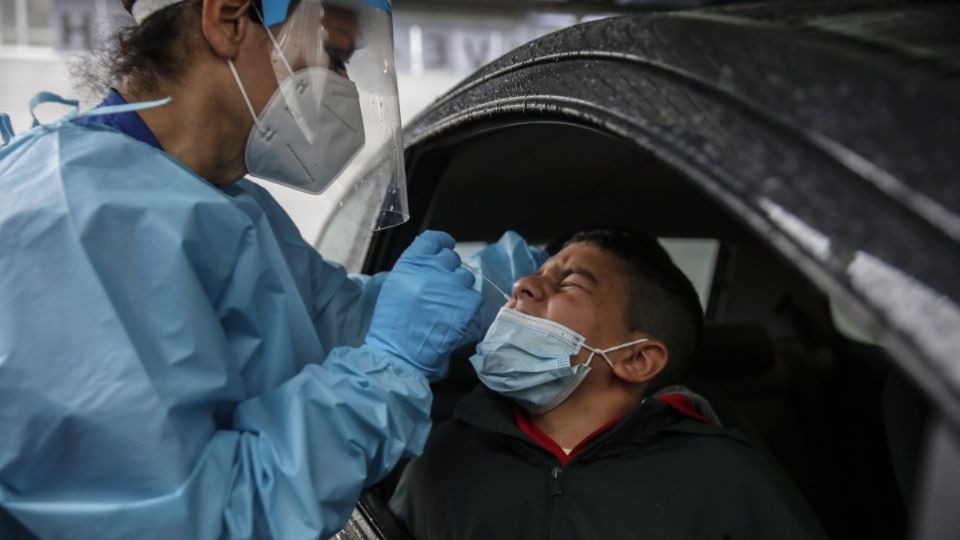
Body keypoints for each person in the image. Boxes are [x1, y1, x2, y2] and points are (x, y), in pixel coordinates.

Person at [0, 1, 536, 538]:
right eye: (333, 54)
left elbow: (328, 320)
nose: (343, 87)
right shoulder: (77, 220)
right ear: (229, 21)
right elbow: (196, 520)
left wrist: (516, 282)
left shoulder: (223, 201)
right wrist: (387, 368)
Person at [389, 228, 826, 540]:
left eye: (570, 282)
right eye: (536, 274)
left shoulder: (724, 479)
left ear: (636, 359)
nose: (522, 286)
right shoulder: (441, 460)